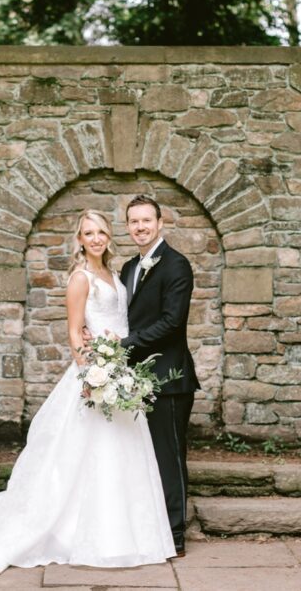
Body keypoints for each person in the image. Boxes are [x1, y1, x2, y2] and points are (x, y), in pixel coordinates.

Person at [0, 209, 175, 573]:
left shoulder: (116, 274)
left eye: (100, 232)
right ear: (79, 239)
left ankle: (128, 535)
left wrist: (117, 370)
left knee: (122, 454)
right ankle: (81, 535)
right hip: (96, 377)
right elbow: (75, 334)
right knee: (86, 457)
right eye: (87, 233)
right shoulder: (80, 278)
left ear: (109, 236)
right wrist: (93, 377)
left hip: (120, 373)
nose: (95, 238)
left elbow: (117, 323)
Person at [117, 194, 200, 557]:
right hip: (133, 379)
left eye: (146, 220)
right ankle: (147, 528)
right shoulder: (127, 268)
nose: (140, 227)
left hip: (168, 378)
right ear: (127, 226)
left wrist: (124, 343)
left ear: (160, 222)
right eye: (133, 222)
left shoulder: (176, 265)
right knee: (137, 457)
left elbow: (172, 321)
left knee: (169, 458)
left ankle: (175, 533)